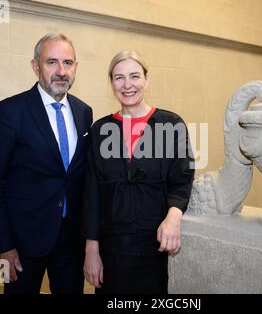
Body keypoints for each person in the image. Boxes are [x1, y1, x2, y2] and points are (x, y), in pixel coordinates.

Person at [0, 33, 93, 294]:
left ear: (76, 67)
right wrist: (3, 246)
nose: (60, 71)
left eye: (68, 63)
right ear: (35, 66)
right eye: (51, 62)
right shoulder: (9, 111)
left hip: (71, 241)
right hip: (22, 244)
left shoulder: (84, 111)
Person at [82, 50, 194, 294]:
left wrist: (173, 217)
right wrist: (92, 250)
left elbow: (182, 179)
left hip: (156, 247)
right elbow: (91, 194)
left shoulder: (170, 124)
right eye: (119, 77)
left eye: (134, 76)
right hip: (113, 251)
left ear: (146, 80)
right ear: (111, 83)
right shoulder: (100, 130)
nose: (127, 84)